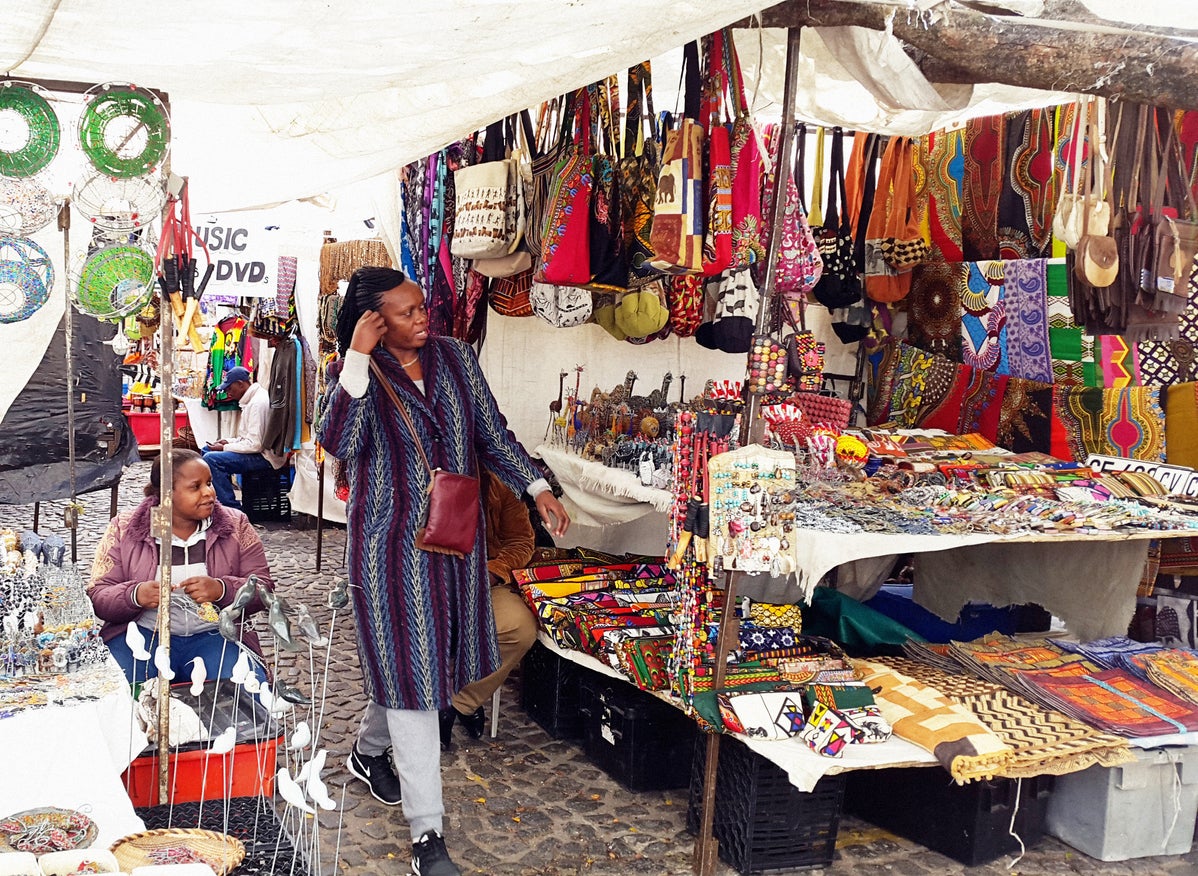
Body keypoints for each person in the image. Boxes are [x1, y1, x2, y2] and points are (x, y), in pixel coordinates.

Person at [317, 266, 569, 876]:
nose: (422, 316)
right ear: (373, 321)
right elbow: (337, 442)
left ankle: (368, 751)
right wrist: (356, 356)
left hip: (455, 545)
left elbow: (489, 430)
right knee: (412, 667)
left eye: (421, 305)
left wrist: (534, 485)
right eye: (406, 312)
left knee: (419, 664)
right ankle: (427, 836)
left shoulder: (455, 357)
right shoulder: (355, 376)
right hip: (389, 549)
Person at [89, 449, 274, 683]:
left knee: (244, 693)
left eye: (209, 483)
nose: (209, 493)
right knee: (117, 694)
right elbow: (99, 595)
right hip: (142, 634)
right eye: (195, 487)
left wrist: (222, 590)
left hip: (216, 636)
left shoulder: (236, 525)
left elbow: (264, 590)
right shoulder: (124, 529)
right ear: (167, 494)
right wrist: (134, 595)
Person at [438, 470, 539, 750]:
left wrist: (489, 574)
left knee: (519, 627)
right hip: (431, 584)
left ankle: (461, 703)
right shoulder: (418, 469)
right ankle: (418, 706)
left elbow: (521, 541)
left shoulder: (499, 479)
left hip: (486, 583)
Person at [202, 365, 287, 510]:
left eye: (230, 389)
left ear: (241, 384)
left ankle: (230, 508)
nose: (228, 393)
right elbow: (247, 438)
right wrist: (228, 442)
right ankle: (216, 501)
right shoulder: (252, 400)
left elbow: (255, 445)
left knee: (212, 459)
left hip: (265, 457)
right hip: (259, 451)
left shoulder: (257, 403)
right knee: (206, 451)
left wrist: (224, 447)